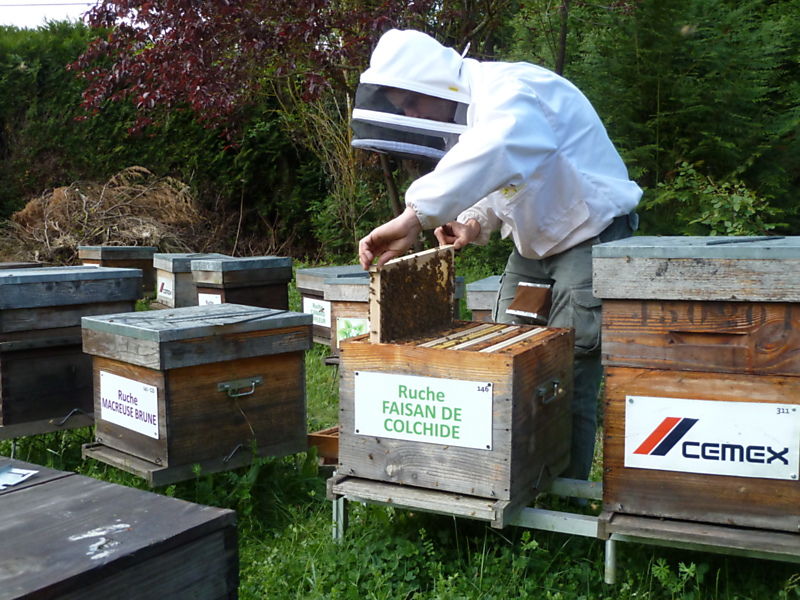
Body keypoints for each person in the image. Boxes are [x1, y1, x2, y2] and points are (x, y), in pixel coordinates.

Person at [351, 29, 642, 481]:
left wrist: (414, 217)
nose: (410, 114)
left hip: (589, 238)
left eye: (410, 103)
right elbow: (502, 180)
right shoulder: (473, 115)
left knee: (570, 375)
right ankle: (514, 480)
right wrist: (470, 222)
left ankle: (565, 497)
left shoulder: (508, 91)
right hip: (535, 246)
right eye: (401, 108)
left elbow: (503, 148)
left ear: (432, 82)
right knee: (509, 363)